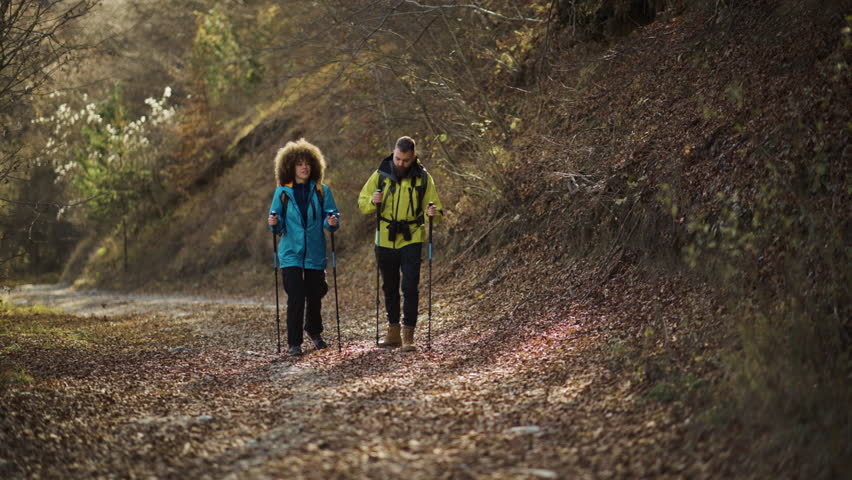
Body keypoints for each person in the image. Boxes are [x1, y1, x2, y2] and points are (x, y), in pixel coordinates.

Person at [358, 136, 443, 352]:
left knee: (410, 286)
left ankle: (408, 336)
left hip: (412, 236)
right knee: (390, 286)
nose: (400, 164)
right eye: (397, 159)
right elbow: (362, 203)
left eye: (405, 160)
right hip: (385, 237)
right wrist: (372, 202)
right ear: (393, 153)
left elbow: (436, 211)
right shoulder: (380, 175)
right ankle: (393, 332)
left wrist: (433, 213)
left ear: (413, 157)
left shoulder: (423, 178)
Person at [267, 139, 339, 356]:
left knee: (315, 294)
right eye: (299, 163)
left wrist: (332, 221)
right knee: (296, 296)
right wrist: (273, 222)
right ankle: (294, 342)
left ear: (314, 165)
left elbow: (331, 216)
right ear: (290, 166)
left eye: (307, 163)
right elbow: (276, 223)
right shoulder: (282, 193)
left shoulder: (321, 190)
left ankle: (314, 331)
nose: (304, 167)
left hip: (315, 252)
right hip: (290, 254)